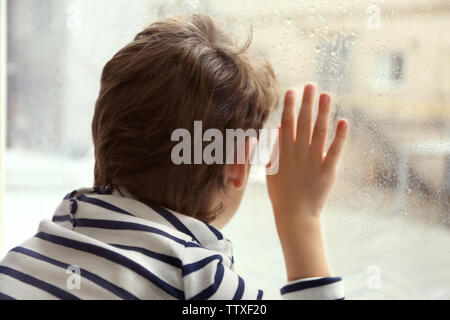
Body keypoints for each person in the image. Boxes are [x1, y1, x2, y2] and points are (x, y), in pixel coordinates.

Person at [0, 14, 348, 300]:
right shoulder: (198, 282)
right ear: (239, 164)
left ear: (103, 133)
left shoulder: (21, 259)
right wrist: (300, 218)